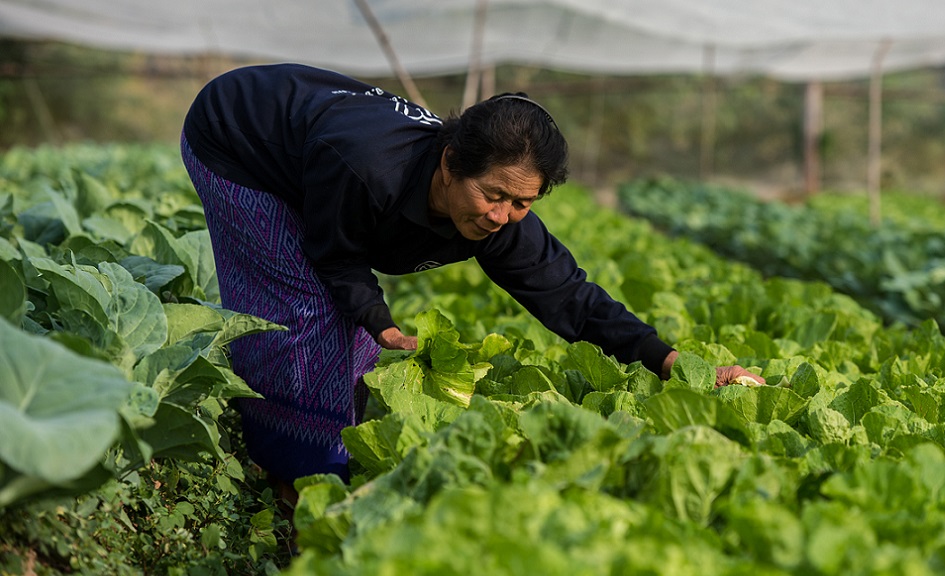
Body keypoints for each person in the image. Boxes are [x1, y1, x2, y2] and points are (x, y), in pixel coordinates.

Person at [180, 63, 763, 495]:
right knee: (302, 313)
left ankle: (334, 448)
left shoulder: (501, 215)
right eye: (493, 195)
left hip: (313, 154)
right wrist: (382, 325)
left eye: (521, 203)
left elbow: (572, 298)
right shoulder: (367, 168)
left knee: (349, 330)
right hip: (238, 139)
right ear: (450, 161)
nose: (500, 216)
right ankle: (292, 477)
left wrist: (672, 364)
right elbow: (337, 259)